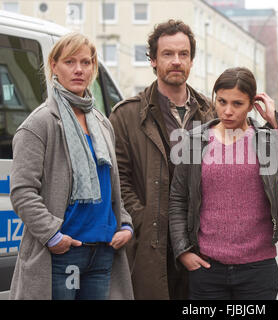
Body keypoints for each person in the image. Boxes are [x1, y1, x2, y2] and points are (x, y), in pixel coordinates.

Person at [168, 67, 278, 300]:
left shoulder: (265, 140)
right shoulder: (196, 141)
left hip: (258, 270)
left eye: (237, 104)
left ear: (251, 104)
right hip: (207, 270)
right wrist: (183, 250)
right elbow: (177, 199)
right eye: (222, 101)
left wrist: (275, 121)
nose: (227, 111)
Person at [9, 32, 134, 300]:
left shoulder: (101, 123)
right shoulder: (39, 124)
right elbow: (22, 192)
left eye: (86, 62)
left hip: (102, 252)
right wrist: (54, 237)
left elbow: (111, 187)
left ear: (94, 67)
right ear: (53, 66)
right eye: (69, 62)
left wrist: (125, 224)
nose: (79, 69)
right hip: (64, 253)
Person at [109, 19, 214, 300]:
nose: (176, 61)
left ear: (192, 60)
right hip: (151, 245)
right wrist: (143, 218)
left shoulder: (212, 114)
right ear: (153, 60)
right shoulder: (126, 115)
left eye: (183, 54)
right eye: (168, 54)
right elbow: (118, 180)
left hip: (201, 244)